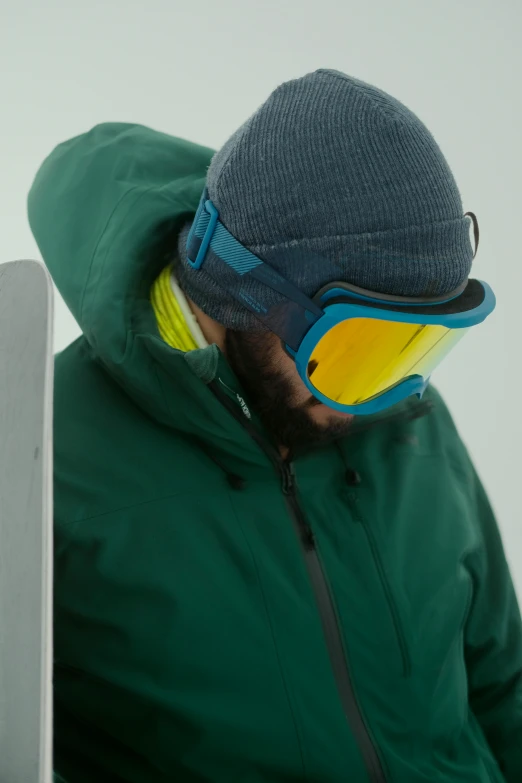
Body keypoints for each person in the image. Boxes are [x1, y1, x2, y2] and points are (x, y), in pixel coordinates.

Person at [28, 69, 521, 783]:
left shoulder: (408, 419)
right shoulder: (51, 457)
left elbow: (503, 682)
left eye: (417, 345)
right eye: (359, 349)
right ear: (244, 296)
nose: (378, 399)